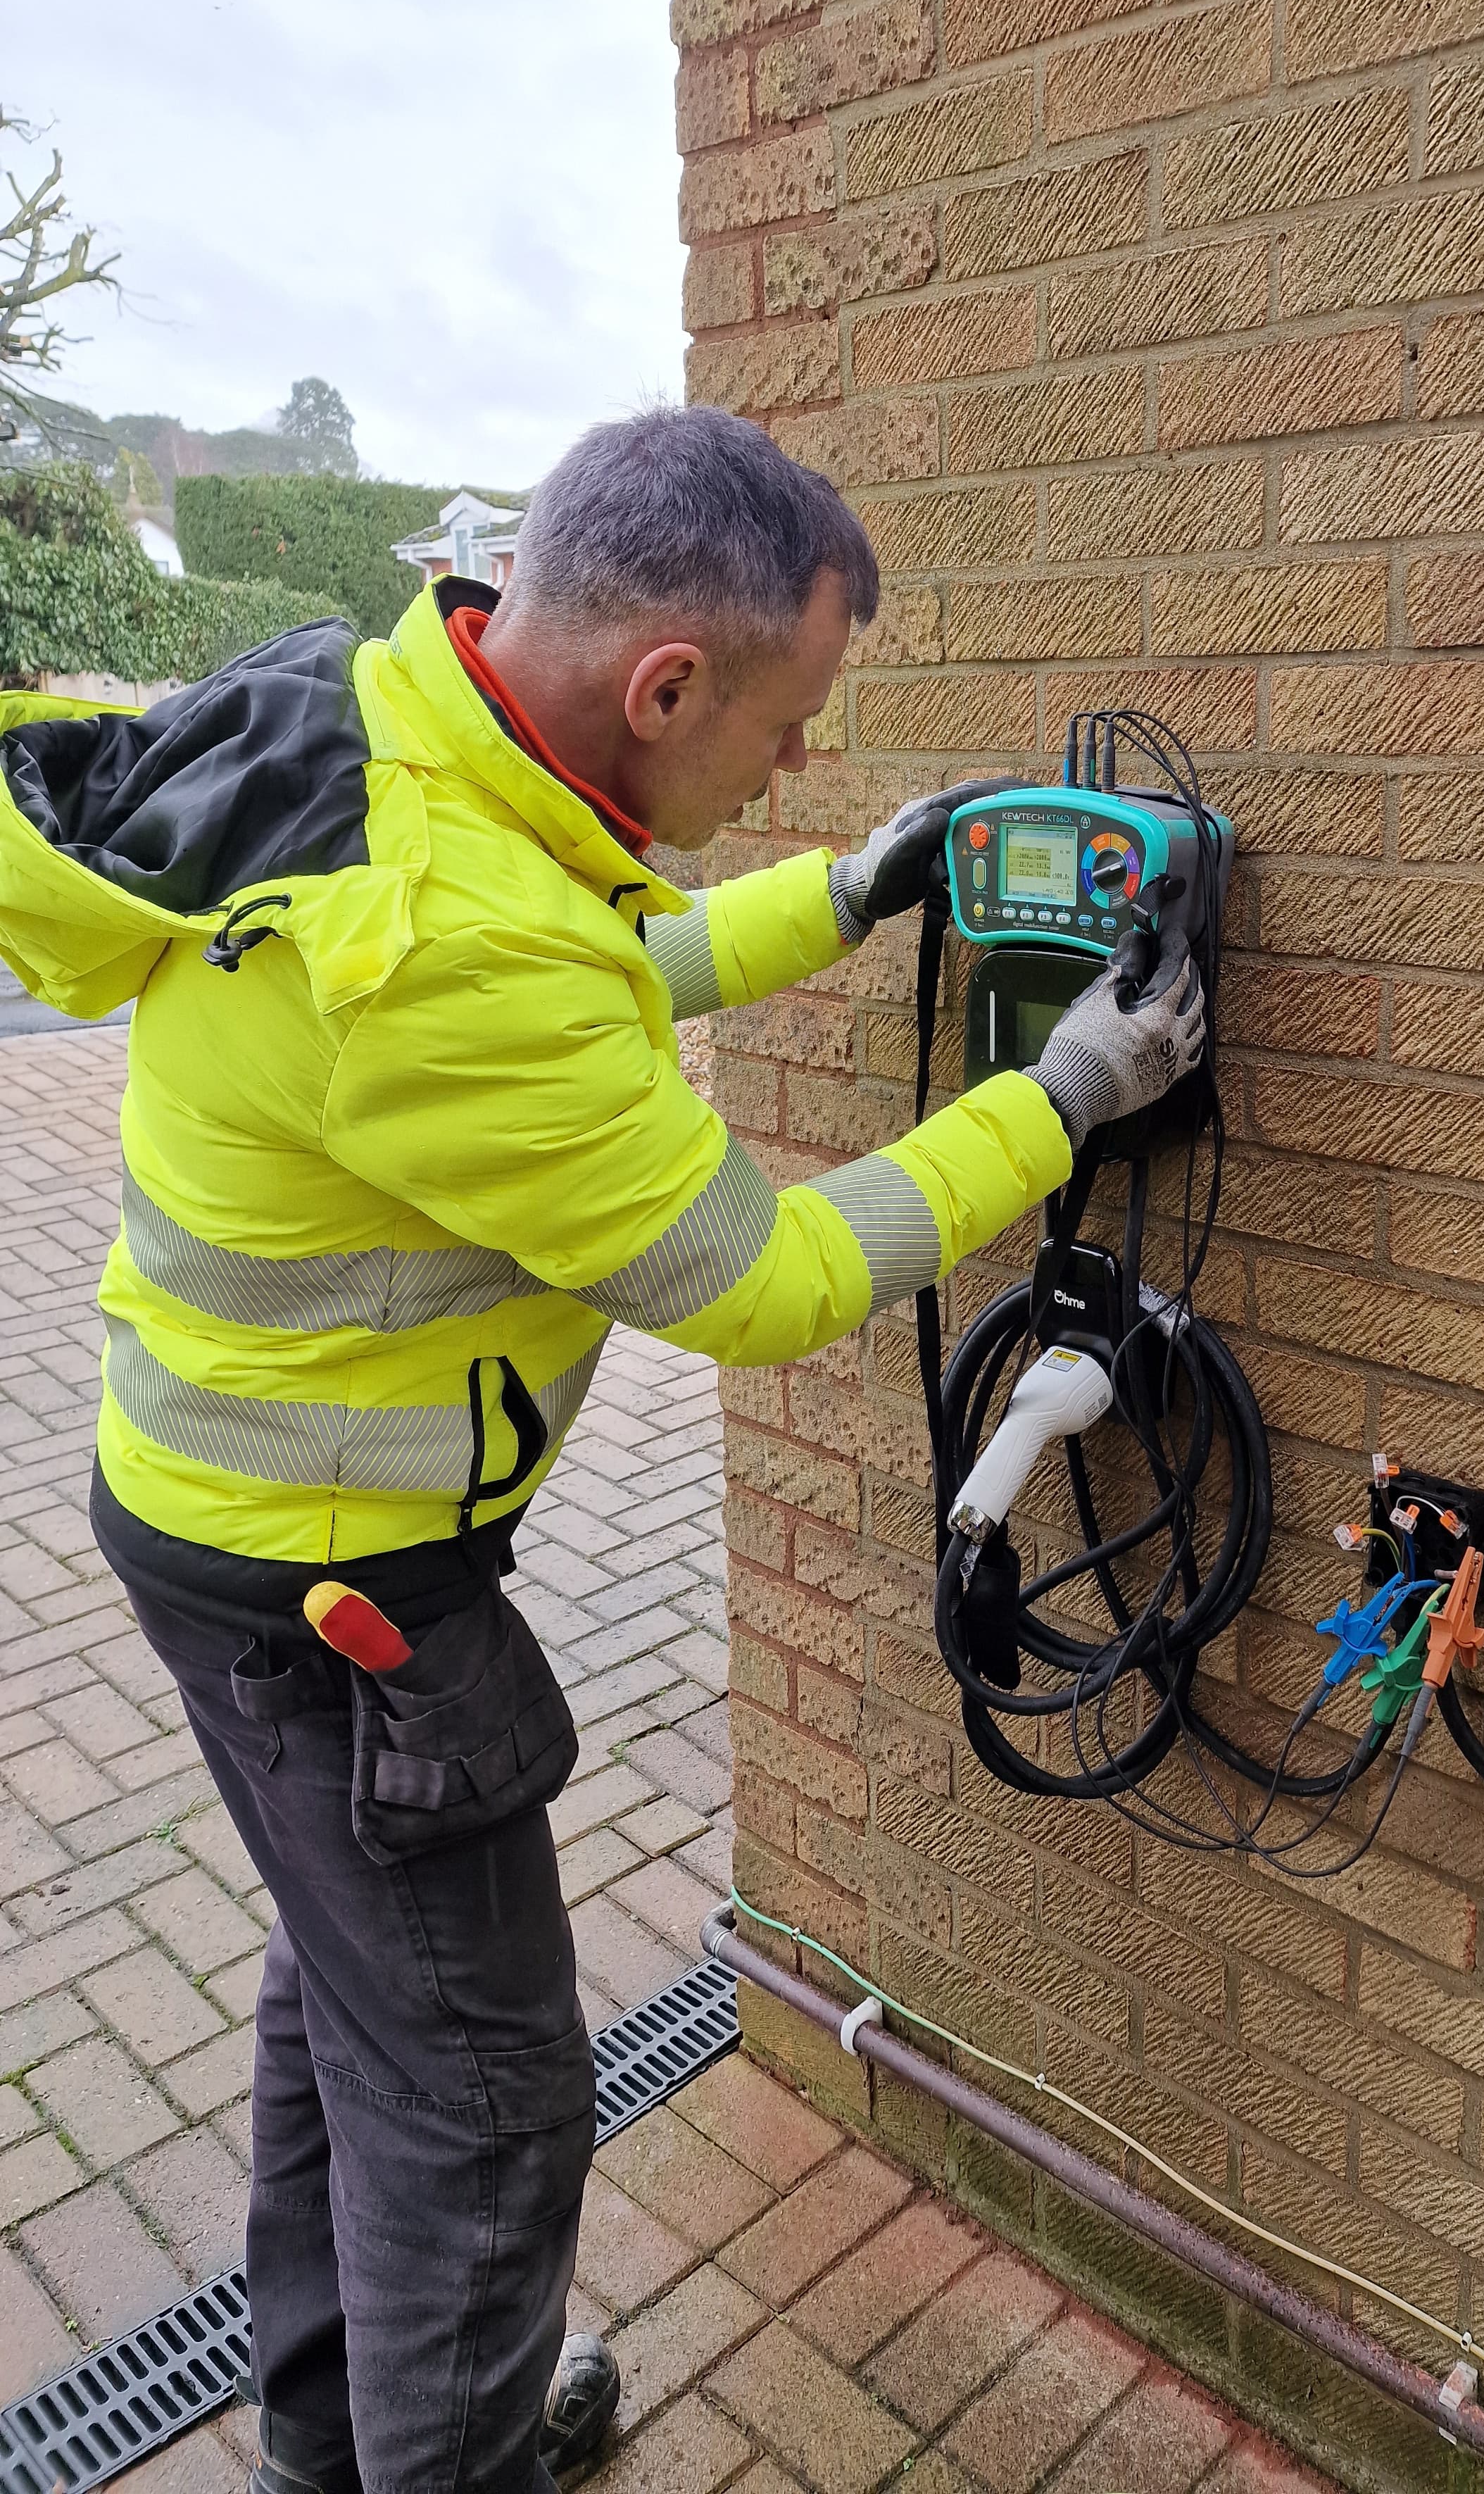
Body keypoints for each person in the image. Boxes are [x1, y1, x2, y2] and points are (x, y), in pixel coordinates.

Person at [0, 407, 1204, 2494]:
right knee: (480, 2101)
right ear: (663, 684)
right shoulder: (450, 955)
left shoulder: (383, 730)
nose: (798, 766)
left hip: (220, 1524)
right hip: (334, 1587)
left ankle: (339, 2437)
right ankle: (435, 2457)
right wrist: (1071, 1093)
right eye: (791, 726)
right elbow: (769, 1276)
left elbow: (605, 958)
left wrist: (840, 897)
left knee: (352, 2003)